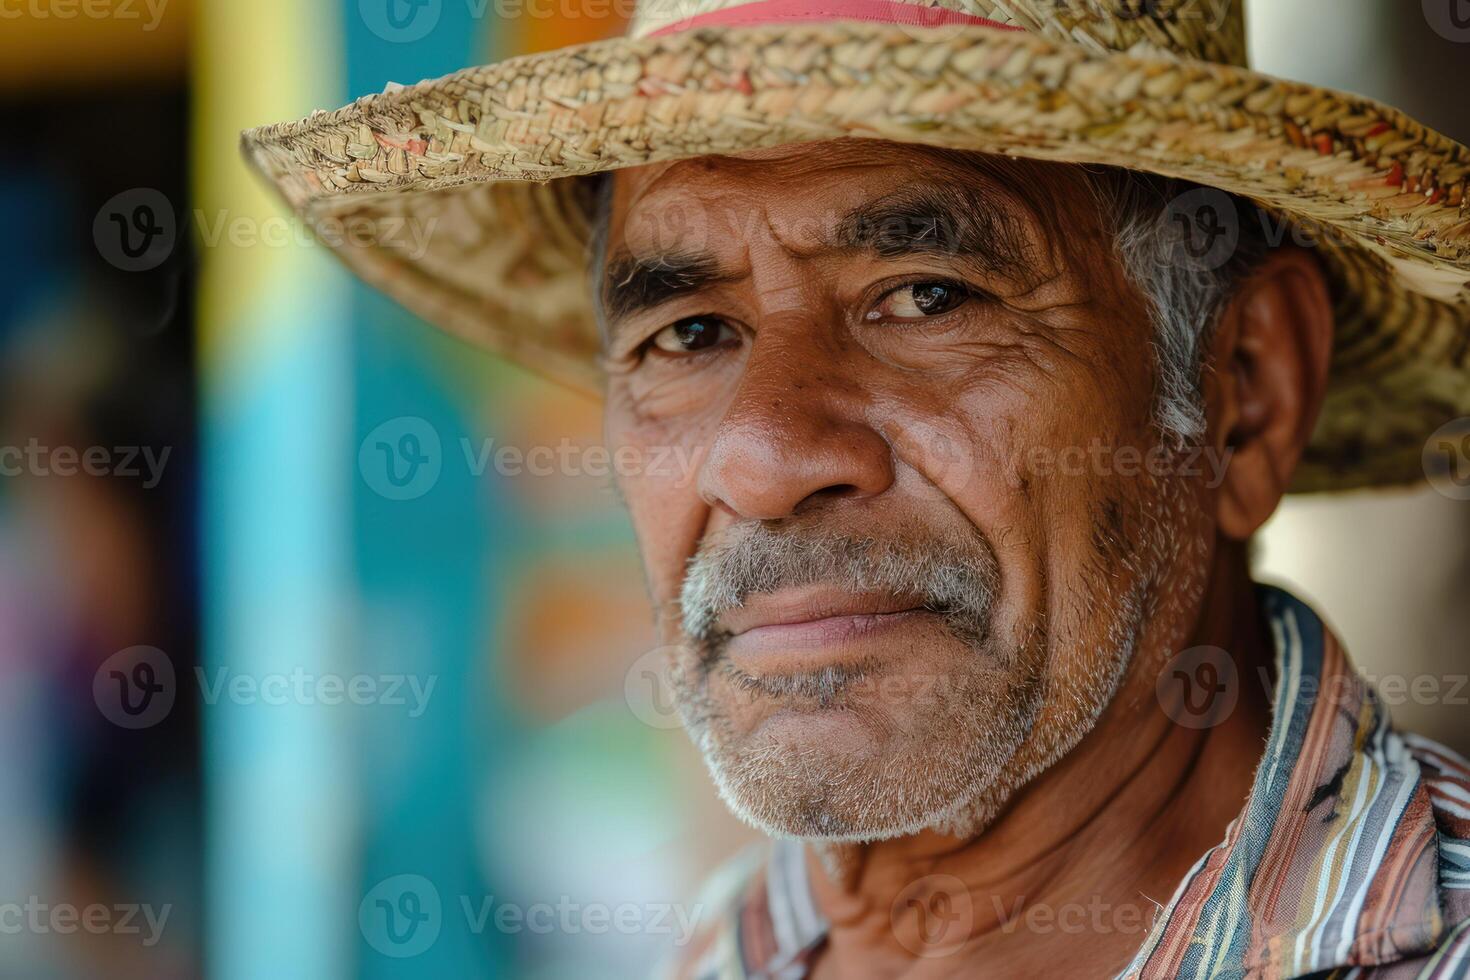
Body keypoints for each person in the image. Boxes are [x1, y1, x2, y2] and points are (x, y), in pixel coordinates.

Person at [246, 1, 1470, 975]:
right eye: (688, 333)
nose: (766, 459)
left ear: (1243, 386)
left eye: (927, 296)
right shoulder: (717, 950)